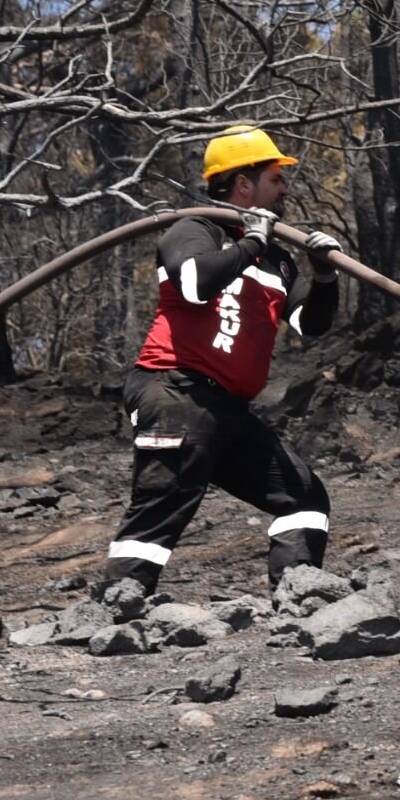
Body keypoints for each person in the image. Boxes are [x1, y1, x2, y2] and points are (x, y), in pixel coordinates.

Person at [101, 125, 340, 599]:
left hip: (228, 407)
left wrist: (326, 275)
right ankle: (114, 610)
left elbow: (309, 324)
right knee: (165, 502)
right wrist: (250, 243)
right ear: (243, 184)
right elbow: (193, 283)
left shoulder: (279, 261)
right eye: (277, 178)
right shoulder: (193, 229)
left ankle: (301, 599)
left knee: (303, 496)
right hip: (175, 390)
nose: (286, 189)